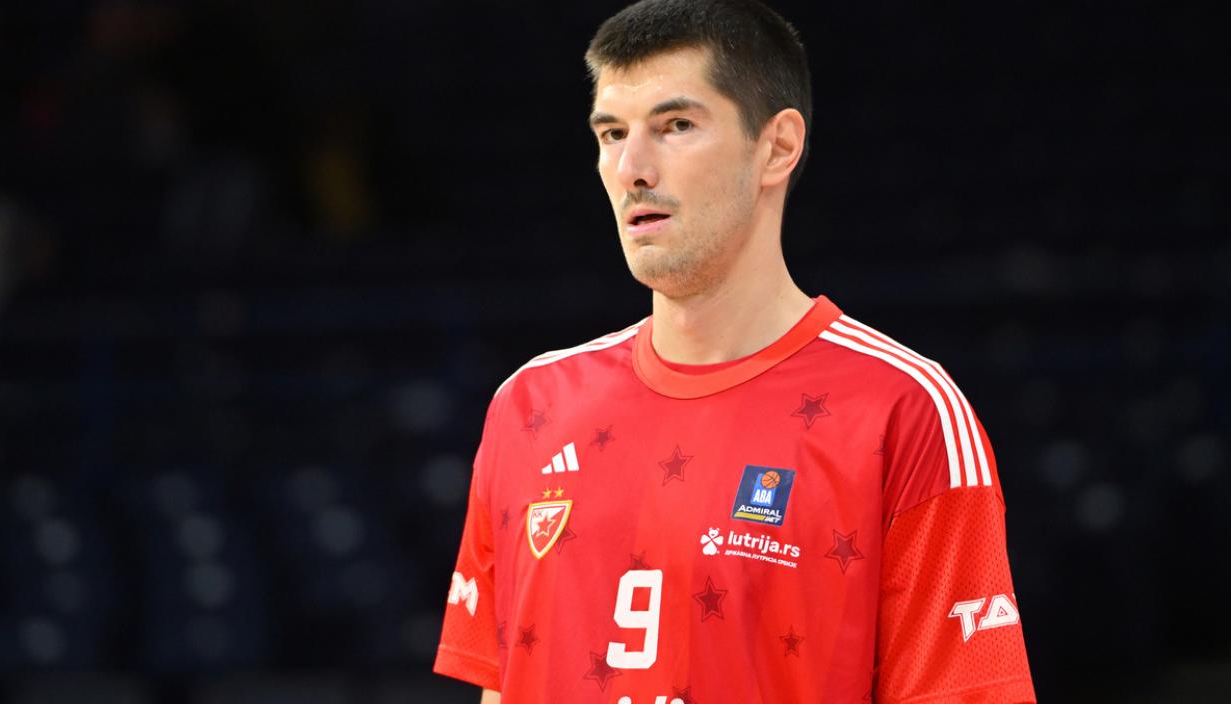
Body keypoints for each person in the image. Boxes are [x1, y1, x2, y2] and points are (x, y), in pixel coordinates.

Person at [434, 0, 1035, 701]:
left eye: (676, 126)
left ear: (776, 147)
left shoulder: (905, 410)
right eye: (612, 133)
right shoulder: (528, 407)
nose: (631, 168)